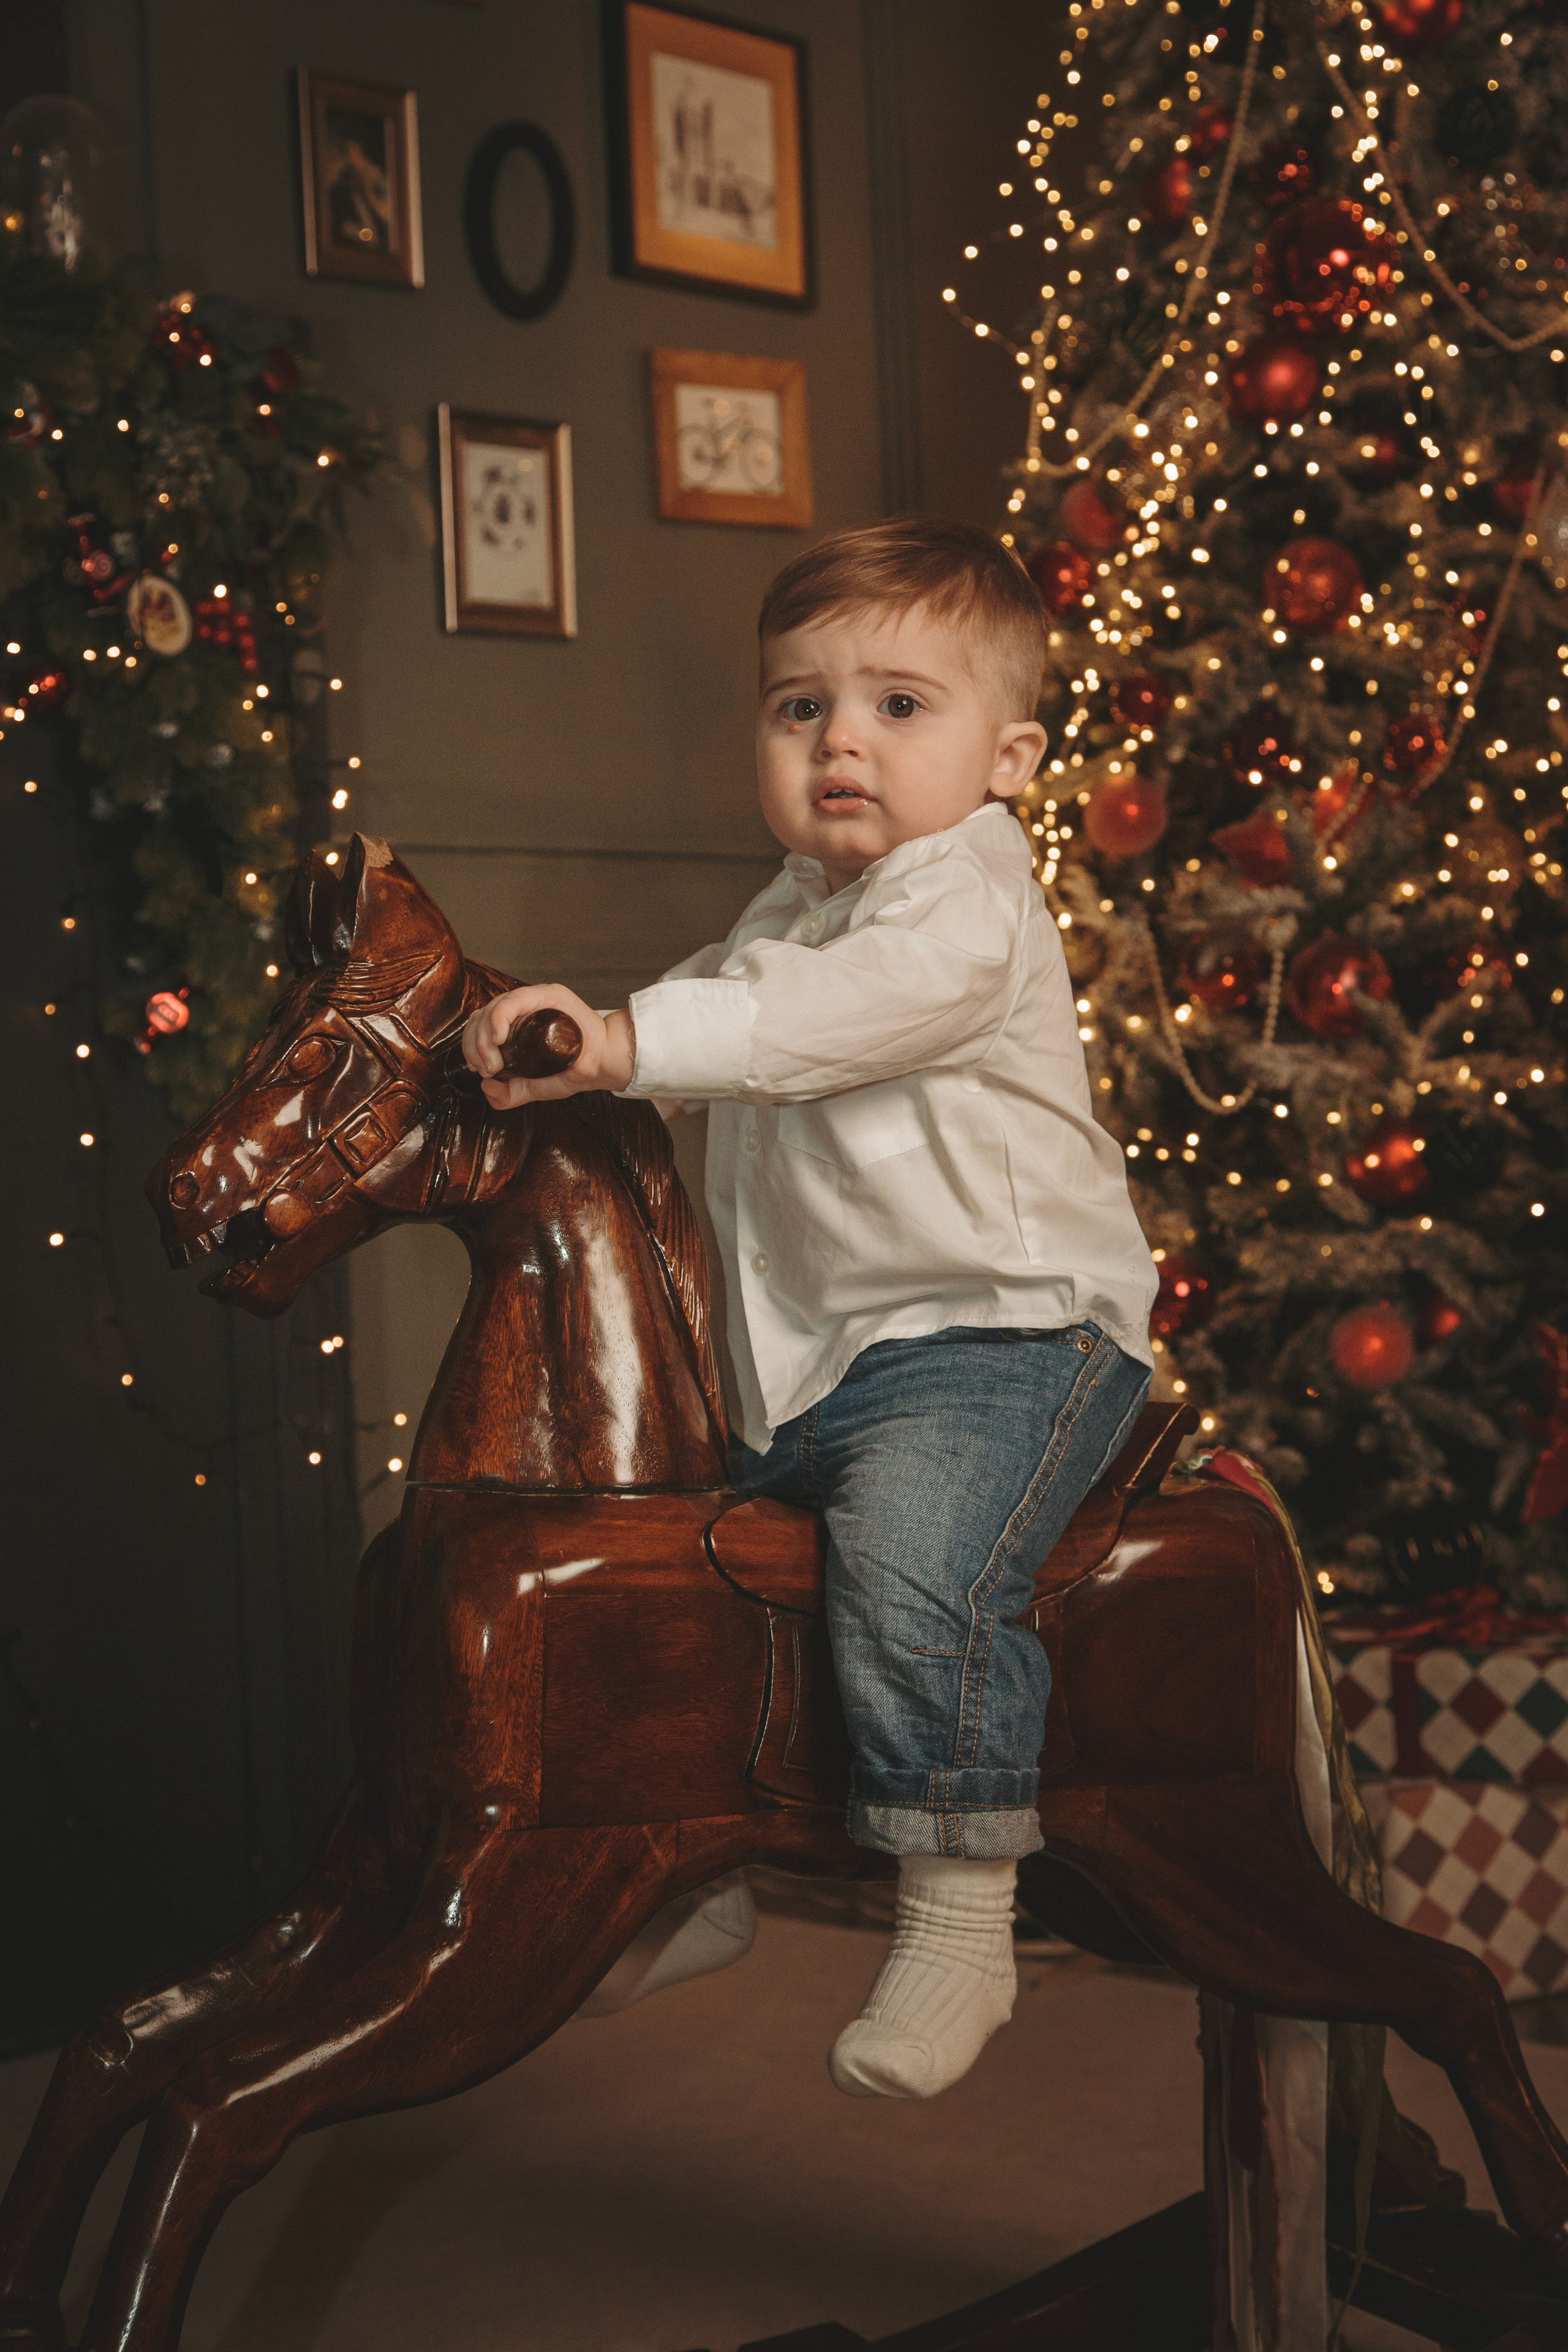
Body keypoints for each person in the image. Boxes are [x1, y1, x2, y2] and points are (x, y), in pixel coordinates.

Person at [462, 515, 1156, 2098]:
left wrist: (634, 1040)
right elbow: (715, 1025)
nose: (842, 739)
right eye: (801, 707)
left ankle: (962, 1913)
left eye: (900, 706)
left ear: (1011, 759)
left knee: (916, 1558)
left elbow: (818, 1022)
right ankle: (704, 1871)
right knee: (692, 1575)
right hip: (818, 1369)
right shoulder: (786, 912)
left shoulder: (967, 903)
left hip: (1001, 1337)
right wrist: (571, 1060)